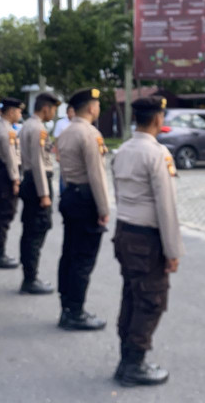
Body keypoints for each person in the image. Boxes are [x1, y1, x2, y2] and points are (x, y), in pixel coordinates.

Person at [111, 96, 183, 387]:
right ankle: (134, 365)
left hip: (125, 231)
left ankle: (126, 359)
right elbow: (166, 206)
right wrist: (173, 250)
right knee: (151, 301)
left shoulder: (122, 150)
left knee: (131, 295)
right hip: (147, 239)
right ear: (157, 119)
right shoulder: (157, 153)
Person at [55, 87, 109, 331]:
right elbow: (97, 175)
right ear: (91, 107)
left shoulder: (66, 132)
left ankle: (66, 305)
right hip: (86, 199)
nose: (98, 109)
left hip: (70, 194)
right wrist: (104, 208)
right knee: (83, 259)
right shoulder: (90, 133)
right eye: (97, 105)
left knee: (69, 253)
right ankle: (75, 312)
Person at [18, 91, 60, 294]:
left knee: (31, 230)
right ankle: (30, 278)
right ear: (46, 108)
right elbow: (38, 162)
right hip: (37, 183)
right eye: (53, 109)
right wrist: (44, 194)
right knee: (36, 230)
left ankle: (29, 275)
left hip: (30, 181)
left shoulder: (28, 124)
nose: (53, 113)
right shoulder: (38, 129)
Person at [0, 97, 24, 269]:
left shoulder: (0, 127)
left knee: (2, 214)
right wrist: (15, 180)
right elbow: (11, 158)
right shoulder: (7, 130)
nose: (20, 114)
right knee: (5, 214)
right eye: (18, 111)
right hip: (6, 175)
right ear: (11, 112)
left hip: (1, 172)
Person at [53, 105, 74, 195]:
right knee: (63, 174)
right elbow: (56, 140)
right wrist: (57, 154)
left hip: (74, 153)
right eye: (71, 111)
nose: (72, 113)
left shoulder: (77, 123)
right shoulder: (60, 123)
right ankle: (63, 193)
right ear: (67, 112)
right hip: (64, 153)